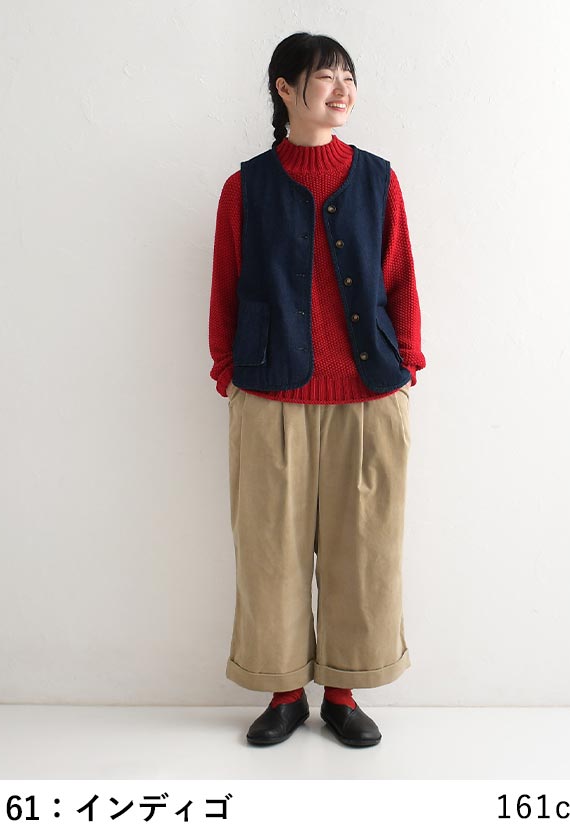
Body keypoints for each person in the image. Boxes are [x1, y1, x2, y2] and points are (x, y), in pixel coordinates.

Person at [208, 32, 426, 748]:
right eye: (326, 77)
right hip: (271, 396)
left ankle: (342, 693)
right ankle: (282, 695)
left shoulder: (378, 179)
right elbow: (227, 284)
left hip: (368, 395)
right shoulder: (245, 187)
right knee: (269, 550)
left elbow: (399, 277)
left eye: (349, 78)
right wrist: (227, 370)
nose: (342, 90)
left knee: (365, 549)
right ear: (284, 88)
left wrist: (407, 365)